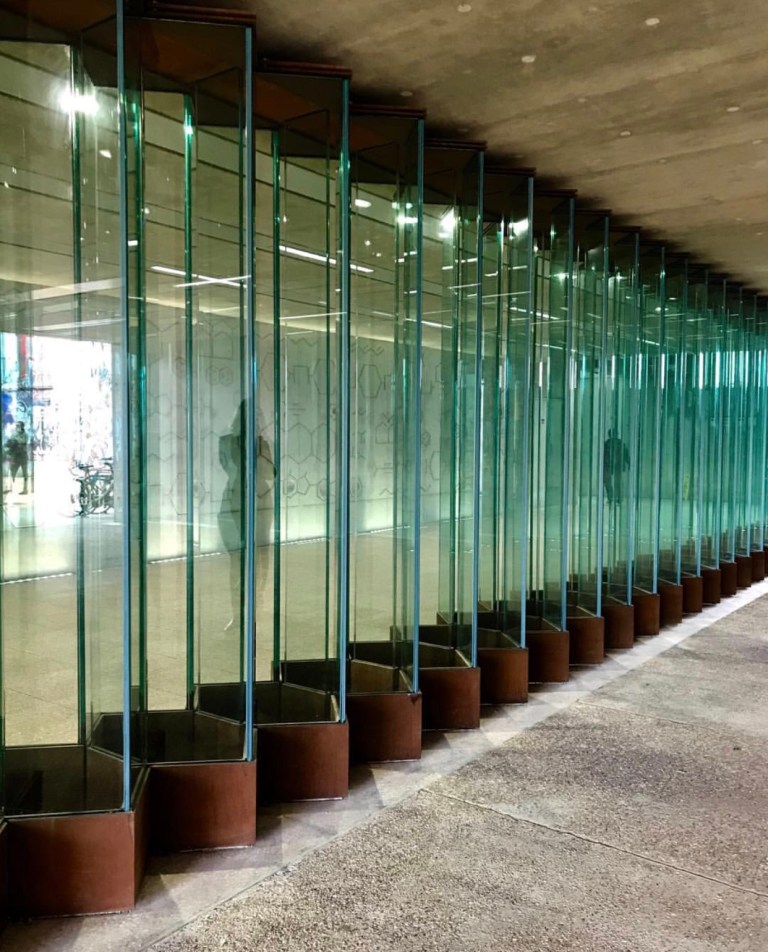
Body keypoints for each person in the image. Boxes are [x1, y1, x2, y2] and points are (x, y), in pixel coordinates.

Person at [218, 401, 275, 630]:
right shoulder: (227, 442)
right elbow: (231, 469)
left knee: (261, 556)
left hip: (261, 502)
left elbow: (271, 474)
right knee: (237, 560)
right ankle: (237, 613)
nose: (254, 421)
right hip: (235, 504)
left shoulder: (263, 444)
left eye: (257, 417)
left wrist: (260, 449)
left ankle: (257, 604)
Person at [603, 428, 629, 505]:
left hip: (610, 465)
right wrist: (629, 463)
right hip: (617, 465)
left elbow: (625, 454)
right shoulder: (619, 443)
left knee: (610, 482)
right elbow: (626, 454)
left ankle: (612, 498)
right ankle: (617, 498)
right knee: (617, 482)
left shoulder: (607, 444)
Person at [5, 421, 29, 494]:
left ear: (22, 426)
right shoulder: (14, 434)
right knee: (12, 472)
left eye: (18, 425)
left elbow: (23, 441)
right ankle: (10, 488)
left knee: (25, 473)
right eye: (16, 426)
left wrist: (15, 441)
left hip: (23, 456)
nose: (17, 427)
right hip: (15, 456)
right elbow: (10, 442)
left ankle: (25, 489)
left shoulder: (25, 434)